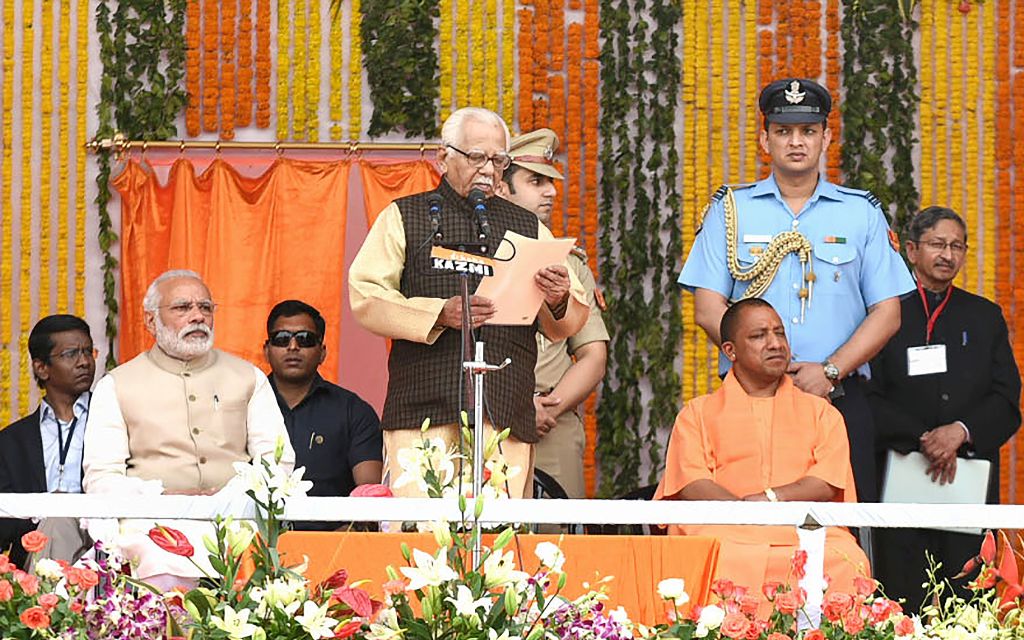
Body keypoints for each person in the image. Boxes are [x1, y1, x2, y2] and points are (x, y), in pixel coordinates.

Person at [678, 78, 915, 502]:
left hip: (836, 397)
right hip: (748, 400)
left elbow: (888, 312)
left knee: (842, 530)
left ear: (826, 137)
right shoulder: (730, 210)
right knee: (746, 522)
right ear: (764, 139)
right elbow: (708, 308)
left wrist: (828, 371)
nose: (796, 142)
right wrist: (762, 368)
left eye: (808, 131)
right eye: (784, 131)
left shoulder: (860, 213)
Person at [349, 107, 588, 499]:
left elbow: (570, 317)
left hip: (503, 413)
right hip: (422, 414)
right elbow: (366, 294)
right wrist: (438, 313)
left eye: (499, 160)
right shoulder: (405, 216)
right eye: (477, 157)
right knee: (422, 543)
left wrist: (559, 296)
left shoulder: (527, 225)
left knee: (498, 545)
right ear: (443, 157)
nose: (489, 170)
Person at [83, 269, 294, 587]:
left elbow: (276, 463)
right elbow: (101, 478)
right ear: (151, 321)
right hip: (152, 523)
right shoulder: (116, 385)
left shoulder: (248, 377)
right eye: (182, 308)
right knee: (158, 555)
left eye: (205, 307)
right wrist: (162, 496)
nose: (197, 316)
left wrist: (228, 498)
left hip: (237, 519)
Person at [654, 298, 869, 609]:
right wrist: (743, 513)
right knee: (717, 554)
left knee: (845, 559)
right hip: (722, 526)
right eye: (759, 336)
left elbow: (825, 481)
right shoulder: (697, 413)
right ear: (730, 351)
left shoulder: (822, 412)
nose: (775, 344)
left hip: (801, 524)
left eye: (780, 333)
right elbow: (691, 482)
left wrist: (770, 499)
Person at [867, 206, 1021, 610]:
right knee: (901, 595)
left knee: (967, 593)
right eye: (937, 244)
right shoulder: (885, 314)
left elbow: (1007, 399)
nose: (947, 255)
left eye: (956, 246)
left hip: (968, 477)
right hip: (901, 472)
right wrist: (923, 438)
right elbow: (869, 396)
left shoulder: (985, 316)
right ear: (913, 251)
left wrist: (960, 432)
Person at [495, 128, 608, 499]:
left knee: (560, 545)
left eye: (552, 182)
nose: (551, 191)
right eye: (536, 181)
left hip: (552, 422)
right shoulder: (473, 256)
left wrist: (548, 408)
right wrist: (514, 404)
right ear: (500, 187)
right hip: (485, 420)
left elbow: (593, 354)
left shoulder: (567, 262)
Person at [264, 299, 383, 530]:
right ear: (266, 350)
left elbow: (370, 496)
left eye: (305, 339)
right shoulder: (244, 405)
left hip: (333, 547)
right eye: (282, 339)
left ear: (322, 352)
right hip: (253, 546)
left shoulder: (353, 411)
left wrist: (342, 538)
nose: (293, 347)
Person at [0, 315, 96, 567]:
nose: (84, 362)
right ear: (41, 367)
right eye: (71, 354)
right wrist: (43, 508)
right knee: (57, 519)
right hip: (37, 551)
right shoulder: (12, 441)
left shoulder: (115, 422)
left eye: (88, 351)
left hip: (102, 541)